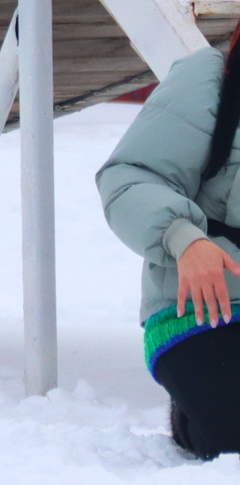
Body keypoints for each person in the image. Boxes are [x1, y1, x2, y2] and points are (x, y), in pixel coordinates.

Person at [99, 30, 240, 457]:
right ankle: (193, 414)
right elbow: (128, 178)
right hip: (210, 307)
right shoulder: (208, 78)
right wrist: (183, 238)